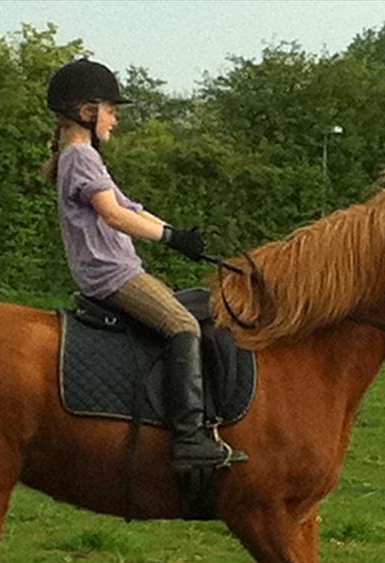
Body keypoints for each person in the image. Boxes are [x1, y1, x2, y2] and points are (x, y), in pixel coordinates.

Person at [45, 58, 246, 471]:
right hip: (112, 275)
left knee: (204, 305)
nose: (115, 120)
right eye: (111, 110)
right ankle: (189, 438)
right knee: (183, 325)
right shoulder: (80, 157)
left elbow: (131, 208)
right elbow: (114, 215)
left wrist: (178, 235)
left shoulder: (83, 156)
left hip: (119, 270)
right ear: (86, 112)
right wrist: (169, 237)